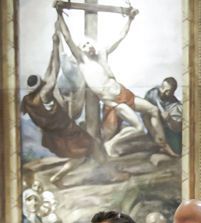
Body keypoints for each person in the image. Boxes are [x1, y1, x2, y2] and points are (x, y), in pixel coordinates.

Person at [56, 6, 177, 157]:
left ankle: (163, 145)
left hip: (123, 92)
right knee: (139, 128)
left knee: (153, 110)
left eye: (89, 43)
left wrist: (130, 19)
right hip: (114, 102)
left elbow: (120, 36)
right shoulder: (82, 62)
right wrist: (59, 13)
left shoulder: (102, 55)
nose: (88, 46)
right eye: (84, 45)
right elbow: (67, 37)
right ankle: (111, 144)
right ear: (80, 51)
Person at [20, 25, 105, 185]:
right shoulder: (44, 93)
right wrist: (56, 46)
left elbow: (48, 70)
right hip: (65, 132)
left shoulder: (28, 99)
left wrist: (54, 48)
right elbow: (54, 70)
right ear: (40, 85)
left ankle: (57, 178)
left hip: (55, 134)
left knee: (81, 155)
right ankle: (109, 173)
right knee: (90, 146)